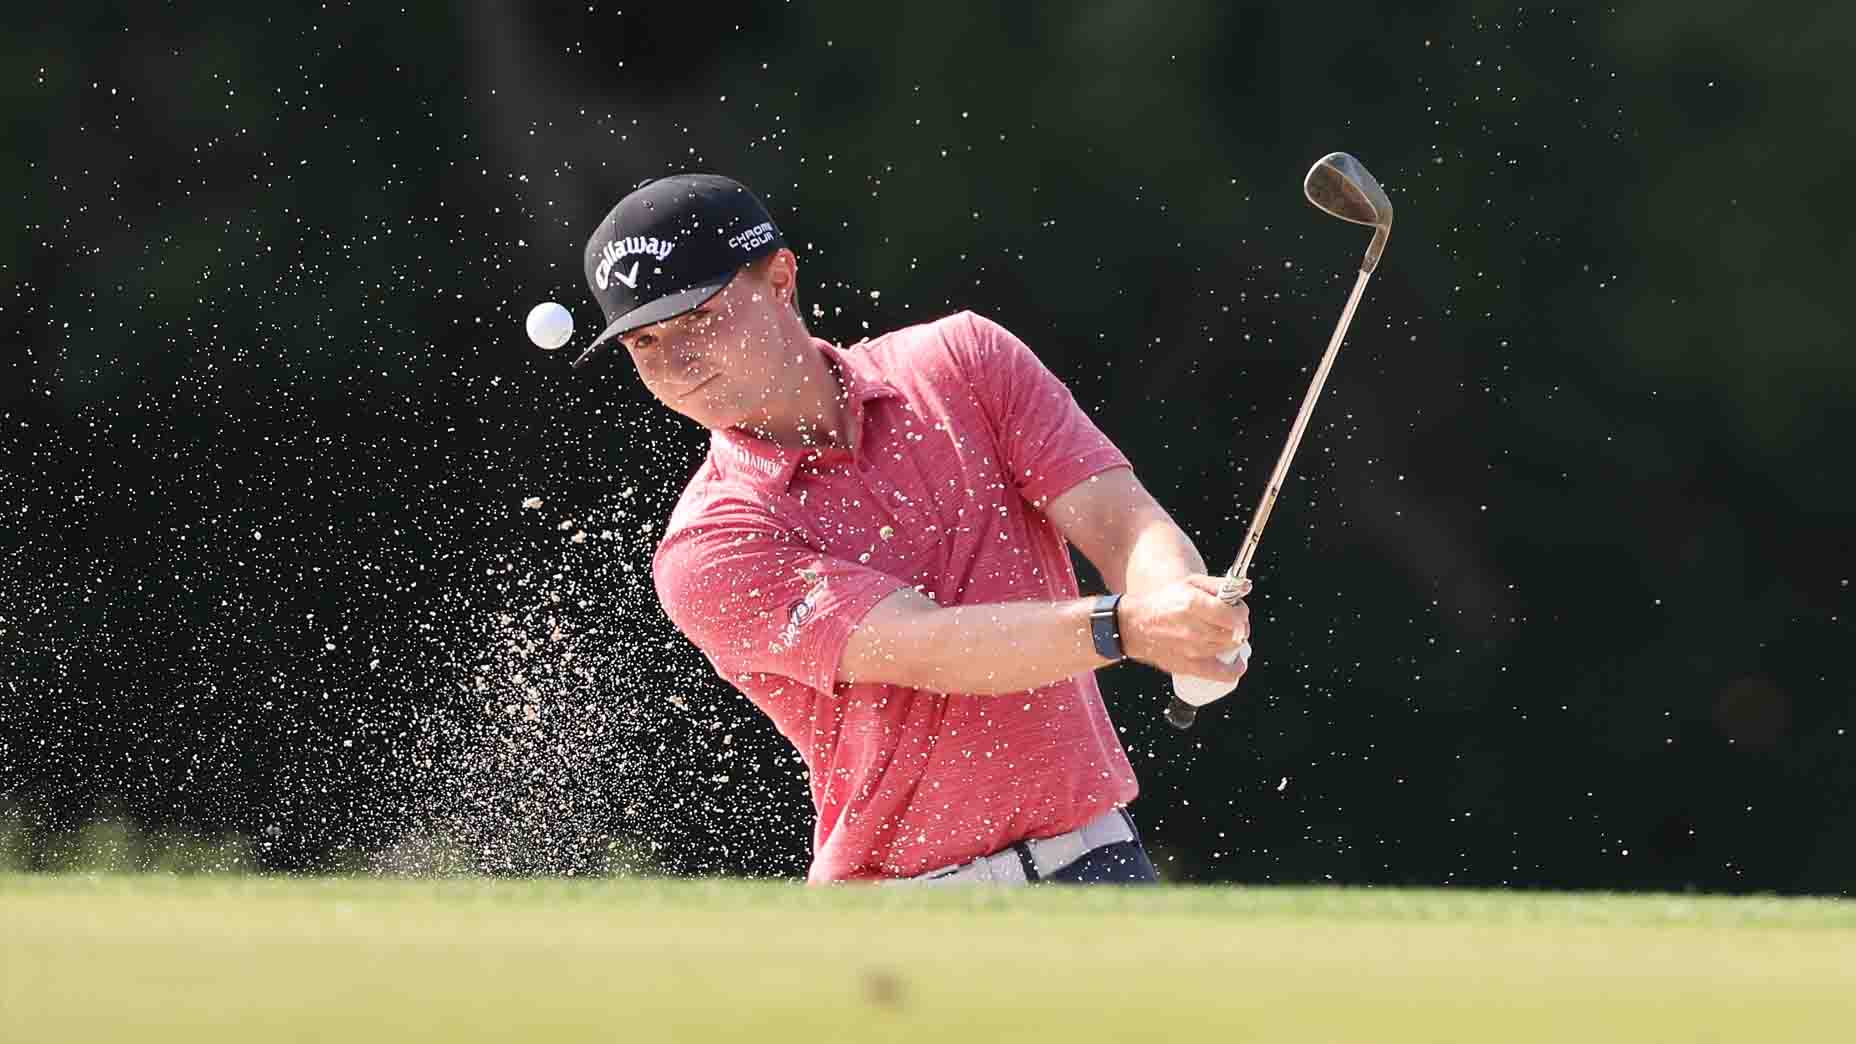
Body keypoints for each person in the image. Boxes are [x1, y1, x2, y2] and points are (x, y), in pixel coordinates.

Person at [571, 174, 1252, 884]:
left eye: (700, 317)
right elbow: (930, 646)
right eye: (646, 343)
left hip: (1098, 859)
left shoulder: (962, 361)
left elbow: (1123, 524)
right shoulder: (711, 544)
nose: (676, 364)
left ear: (780, 281)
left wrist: (1186, 609)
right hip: (907, 905)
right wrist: (1132, 626)